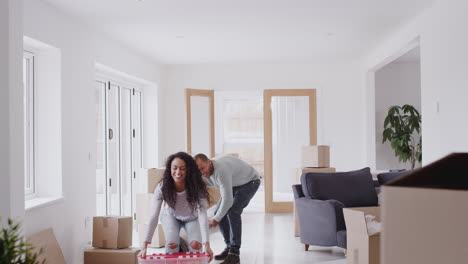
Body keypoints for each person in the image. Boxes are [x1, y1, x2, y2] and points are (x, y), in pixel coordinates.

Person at [140, 152, 213, 262]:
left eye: (182, 168)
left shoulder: (196, 186)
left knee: (195, 246)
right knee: (172, 244)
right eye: (174, 168)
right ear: (170, 169)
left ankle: (183, 245)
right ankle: (179, 246)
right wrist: (144, 245)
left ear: (189, 170)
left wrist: (206, 244)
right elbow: (154, 215)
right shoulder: (162, 187)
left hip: (191, 218)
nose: (178, 172)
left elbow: (202, 214)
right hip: (171, 216)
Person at [195, 154, 260, 264]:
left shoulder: (220, 170)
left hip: (250, 181)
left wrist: (216, 219)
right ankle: (230, 247)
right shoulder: (200, 174)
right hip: (235, 184)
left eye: (202, 168)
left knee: (233, 212)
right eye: (198, 170)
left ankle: (234, 254)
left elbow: (227, 200)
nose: (201, 172)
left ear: (209, 162)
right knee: (218, 212)